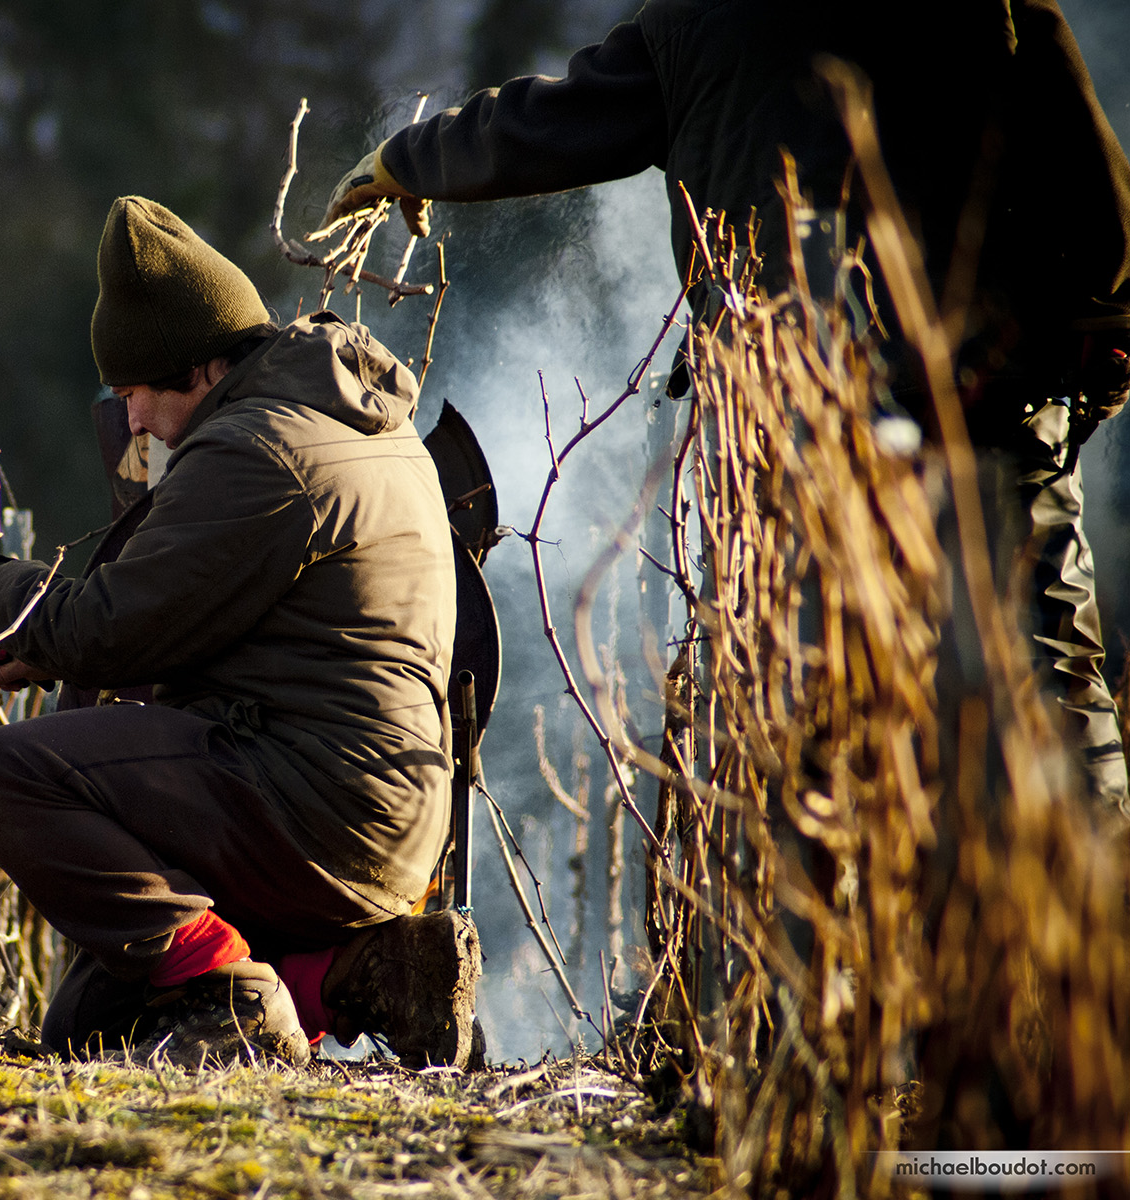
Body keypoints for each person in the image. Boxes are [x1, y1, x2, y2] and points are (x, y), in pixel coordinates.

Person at [321, 0, 1130, 806]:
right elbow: (1101, 210)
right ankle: (1092, 910)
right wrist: (1093, 360)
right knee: (1044, 682)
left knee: (812, 725)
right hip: (986, 402)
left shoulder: (702, 16)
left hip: (792, 429)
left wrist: (404, 160)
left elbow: (549, 124)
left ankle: (840, 924)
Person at [0, 197, 481, 1067]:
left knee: (5, 776)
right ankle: (353, 970)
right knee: (86, 1034)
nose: (136, 424)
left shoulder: (256, 450)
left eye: (136, 396)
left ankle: (234, 989)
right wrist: (45, 641)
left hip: (318, 802)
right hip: (367, 806)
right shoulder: (347, 425)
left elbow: (116, 629)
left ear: (192, 368)